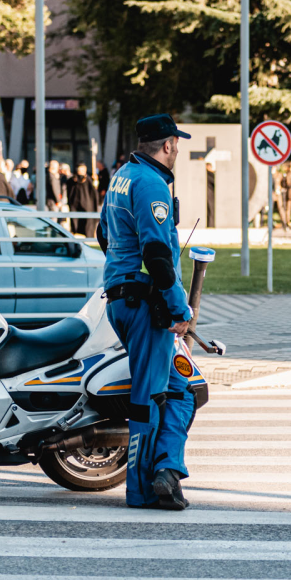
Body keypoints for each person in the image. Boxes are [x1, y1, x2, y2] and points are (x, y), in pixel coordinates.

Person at [98, 113, 195, 511]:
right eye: (177, 143)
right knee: (150, 397)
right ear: (168, 144)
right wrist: (177, 306)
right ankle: (140, 492)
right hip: (146, 303)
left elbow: (103, 234)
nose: (178, 150)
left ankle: (167, 472)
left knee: (181, 391)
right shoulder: (152, 184)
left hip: (122, 297)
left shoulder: (122, 175)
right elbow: (157, 255)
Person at [69, 163, 100, 237]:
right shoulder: (73, 180)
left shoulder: (89, 179)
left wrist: (95, 181)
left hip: (88, 205)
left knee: (88, 224)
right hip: (76, 205)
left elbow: (94, 192)